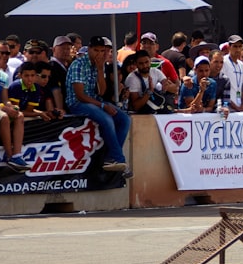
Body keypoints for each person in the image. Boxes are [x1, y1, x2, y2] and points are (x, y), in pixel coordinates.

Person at [65, 36, 130, 172]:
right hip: (77, 103)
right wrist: (102, 106)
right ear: (89, 49)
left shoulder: (98, 66)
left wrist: (100, 70)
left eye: (102, 51)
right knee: (107, 119)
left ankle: (110, 157)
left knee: (124, 119)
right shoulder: (78, 65)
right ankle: (118, 158)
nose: (99, 54)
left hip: (93, 101)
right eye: (96, 50)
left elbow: (101, 92)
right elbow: (80, 95)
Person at [126, 50, 177, 114]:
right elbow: (136, 106)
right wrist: (149, 92)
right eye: (141, 63)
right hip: (139, 114)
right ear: (136, 64)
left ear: (150, 61)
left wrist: (166, 87)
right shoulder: (132, 78)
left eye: (146, 62)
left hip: (155, 110)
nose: (144, 66)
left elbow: (175, 89)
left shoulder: (155, 72)